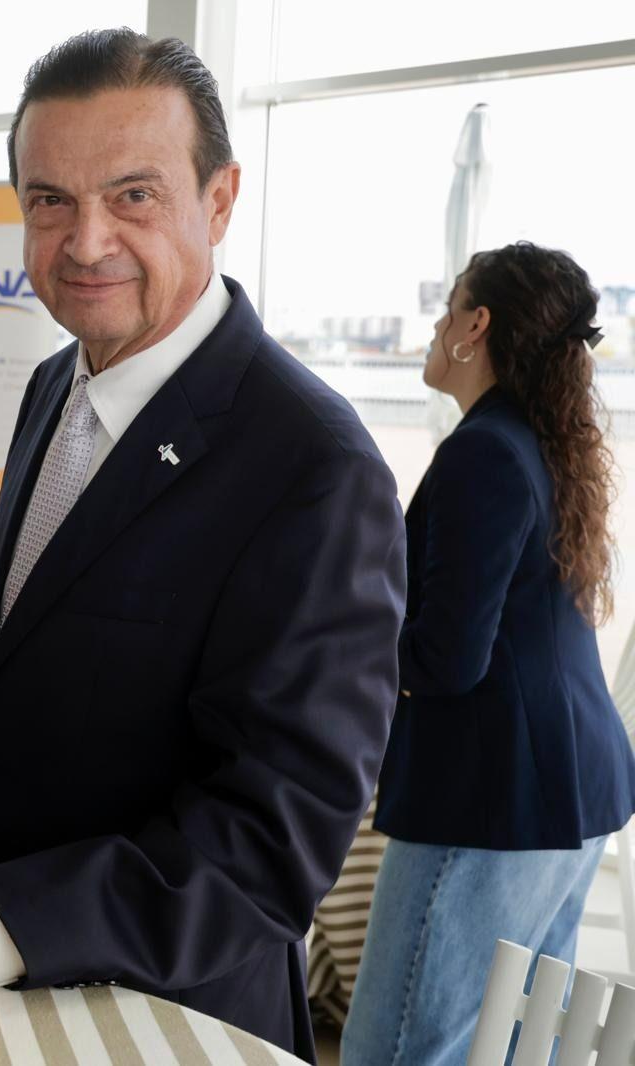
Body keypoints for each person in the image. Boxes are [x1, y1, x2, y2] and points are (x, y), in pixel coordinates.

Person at [0, 30, 406, 1058]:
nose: (85, 240)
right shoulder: (53, 385)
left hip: (164, 1020)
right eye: (49, 200)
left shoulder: (314, 466)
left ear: (220, 200)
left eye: (133, 195)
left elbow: (271, 840)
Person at [341, 243, 635, 1066]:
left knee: (396, 1050)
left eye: (448, 308)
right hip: (571, 793)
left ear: (477, 326)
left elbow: (446, 658)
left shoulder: (484, 452)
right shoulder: (540, 443)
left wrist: (342, 635)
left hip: (496, 799)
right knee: (510, 1048)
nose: (436, 326)